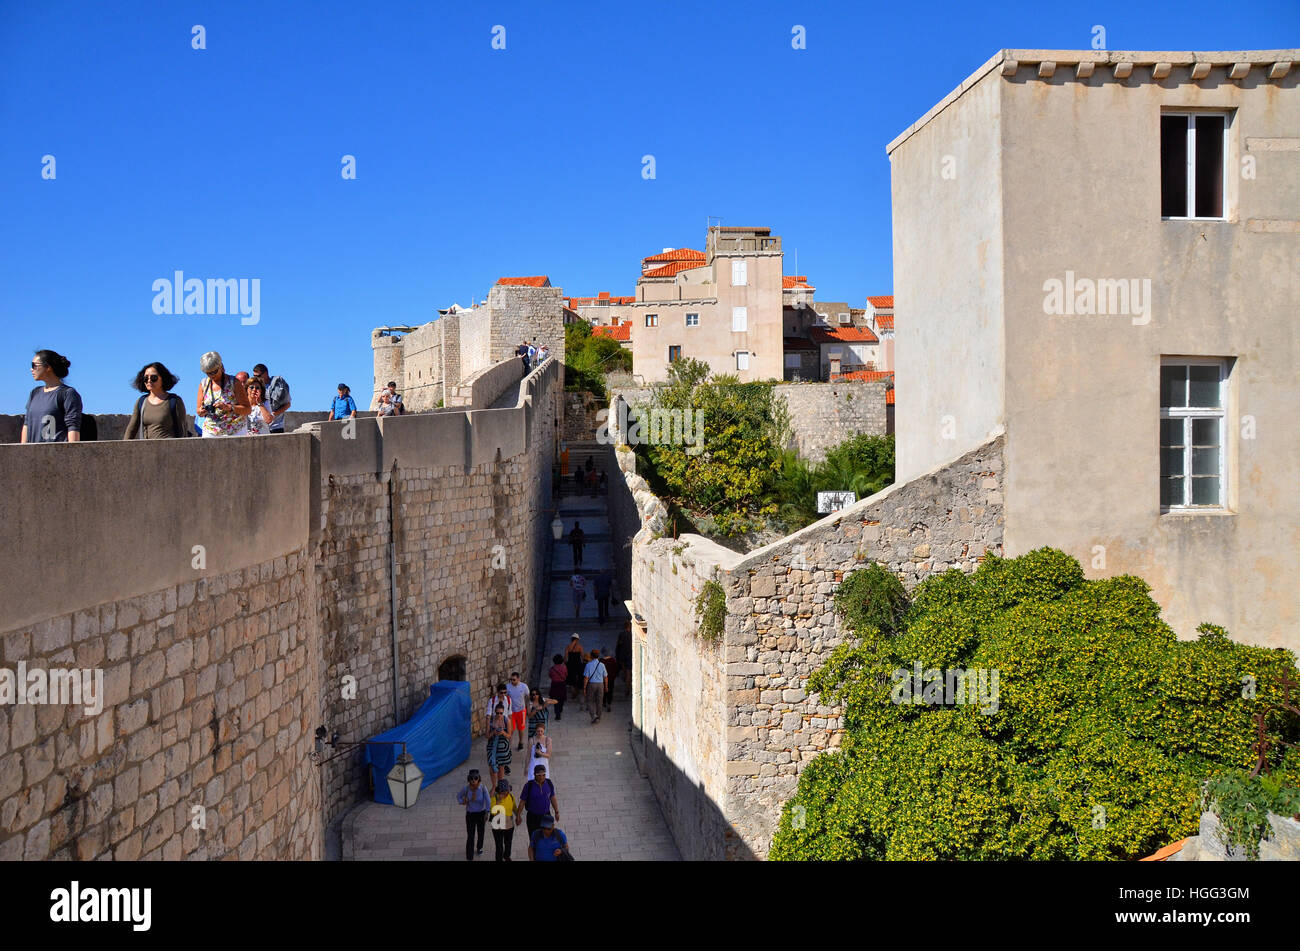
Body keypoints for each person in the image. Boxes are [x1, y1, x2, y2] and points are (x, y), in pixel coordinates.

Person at [21, 350, 82, 443]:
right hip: (33, 455)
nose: (31, 369)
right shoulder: (34, 393)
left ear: (48, 367)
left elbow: (73, 426)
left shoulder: (68, 393)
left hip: (57, 454)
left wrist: (72, 453)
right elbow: (27, 424)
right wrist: (23, 451)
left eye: (34, 365)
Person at [123, 361, 189, 439]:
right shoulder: (141, 402)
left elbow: (182, 429)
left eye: (153, 378)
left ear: (163, 378)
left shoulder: (174, 401)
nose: (149, 380)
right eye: (146, 378)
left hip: (169, 449)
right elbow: (132, 428)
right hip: (147, 449)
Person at [195, 351, 251, 437]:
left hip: (235, 430)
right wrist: (202, 411)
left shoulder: (234, 383)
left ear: (220, 366)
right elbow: (198, 410)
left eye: (214, 371)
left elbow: (247, 409)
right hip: (210, 431)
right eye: (208, 373)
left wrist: (229, 407)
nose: (212, 375)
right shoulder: (203, 384)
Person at [456, 769, 490, 860]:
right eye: (471, 778)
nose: (473, 780)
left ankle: (479, 847)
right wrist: (462, 801)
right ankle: (469, 856)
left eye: (476, 778)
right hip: (470, 815)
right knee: (470, 836)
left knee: (481, 833)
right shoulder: (466, 789)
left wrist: (487, 812)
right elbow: (458, 796)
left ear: (479, 779)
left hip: (481, 814)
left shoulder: (483, 788)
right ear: (469, 779)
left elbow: (488, 801)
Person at [519, 765, 559, 839]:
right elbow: (522, 801)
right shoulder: (528, 786)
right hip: (533, 817)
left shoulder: (549, 783)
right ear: (534, 775)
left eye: (543, 775)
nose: (542, 777)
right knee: (534, 839)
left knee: (548, 838)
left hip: (546, 815)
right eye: (539, 775)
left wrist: (557, 812)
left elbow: (552, 797)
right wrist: (518, 815)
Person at [252, 364, 291, 433]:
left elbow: (287, 404)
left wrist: (272, 415)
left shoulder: (276, 386)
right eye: (254, 376)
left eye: (258, 376)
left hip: (275, 427)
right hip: (260, 429)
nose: (256, 378)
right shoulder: (256, 387)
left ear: (266, 373)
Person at [489, 779, 521, 861]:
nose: (506, 793)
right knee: (499, 845)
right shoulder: (494, 798)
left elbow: (514, 807)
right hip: (498, 826)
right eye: (503, 791)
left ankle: (507, 856)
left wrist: (518, 816)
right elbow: (493, 811)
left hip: (509, 824)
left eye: (507, 791)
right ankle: (499, 859)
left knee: (508, 843)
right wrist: (499, 801)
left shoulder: (511, 796)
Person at [485, 702, 513, 788]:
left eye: (501, 713)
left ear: (503, 712)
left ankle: (500, 786)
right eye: (497, 713)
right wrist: (494, 732)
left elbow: (509, 736)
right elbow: (487, 736)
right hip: (492, 746)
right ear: (494, 712)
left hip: (503, 747)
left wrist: (503, 732)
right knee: (491, 766)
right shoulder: (490, 720)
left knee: (501, 767)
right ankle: (494, 786)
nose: (499, 715)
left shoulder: (507, 720)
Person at [583, 648, 608, 723]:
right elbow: (605, 677)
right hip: (600, 685)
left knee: (589, 700)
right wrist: (606, 686)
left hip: (591, 684)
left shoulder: (588, 665)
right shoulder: (602, 665)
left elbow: (586, 677)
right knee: (599, 701)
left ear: (591, 656)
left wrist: (584, 688)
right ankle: (598, 717)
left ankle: (593, 716)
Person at [507, 672, 530, 751]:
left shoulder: (524, 686)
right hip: (511, 712)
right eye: (511, 680)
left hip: (521, 711)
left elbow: (528, 696)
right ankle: (509, 745)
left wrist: (528, 706)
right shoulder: (508, 687)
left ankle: (520, 743)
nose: (512, 681)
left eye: (514, 680)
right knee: (511, 729)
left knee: (521, 728)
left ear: (518, 679)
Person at [547, 654, 568, 721]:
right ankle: (560, 709)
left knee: (555, 699)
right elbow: (566, 675)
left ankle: (557, 713)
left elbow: (550, 675)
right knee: (561, 698)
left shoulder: (552, 669)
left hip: (555, 685)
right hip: (562, 684)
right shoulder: (564, 667)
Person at [565, 635, 585, 704]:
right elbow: (582, 656)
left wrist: (565, 664)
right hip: (578, 664)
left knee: (571, 678)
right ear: (577, 639)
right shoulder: (579, 647)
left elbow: (566, 657)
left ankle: (573, 693)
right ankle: (578, 691)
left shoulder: (568, 647)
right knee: (578, 677)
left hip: (570, 664)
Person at [601, 648, 622, 713]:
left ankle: (603, 702)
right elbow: (616, 670)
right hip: (611, 679)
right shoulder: (613, 660)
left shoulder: (600, 661)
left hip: (602, 679)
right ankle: (609, 704)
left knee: (603, 691)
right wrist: (615, 676)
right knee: (610, 691)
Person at [616, 627, 633, 699]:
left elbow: (618, 644)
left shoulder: (622, 634)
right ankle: (628, 688)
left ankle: (627, 686)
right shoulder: (632, 634)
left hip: (622, 655)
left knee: (626, 673)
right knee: (629, 673)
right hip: (630, 654)